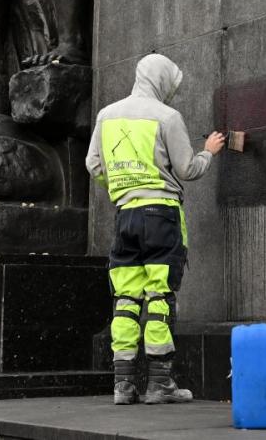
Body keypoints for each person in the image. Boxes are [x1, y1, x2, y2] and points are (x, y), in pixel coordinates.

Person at [85, 54, 226, 405]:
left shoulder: (106, 115)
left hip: (125, 217)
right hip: (161, 214)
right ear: (161, 81)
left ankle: (123, 385)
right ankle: (160, 383)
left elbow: (93, 164)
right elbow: (188, 168)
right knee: (159, 297)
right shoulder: (167, 116)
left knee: (126, 299)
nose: (172, 94)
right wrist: (208, 152)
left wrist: (121, 185)